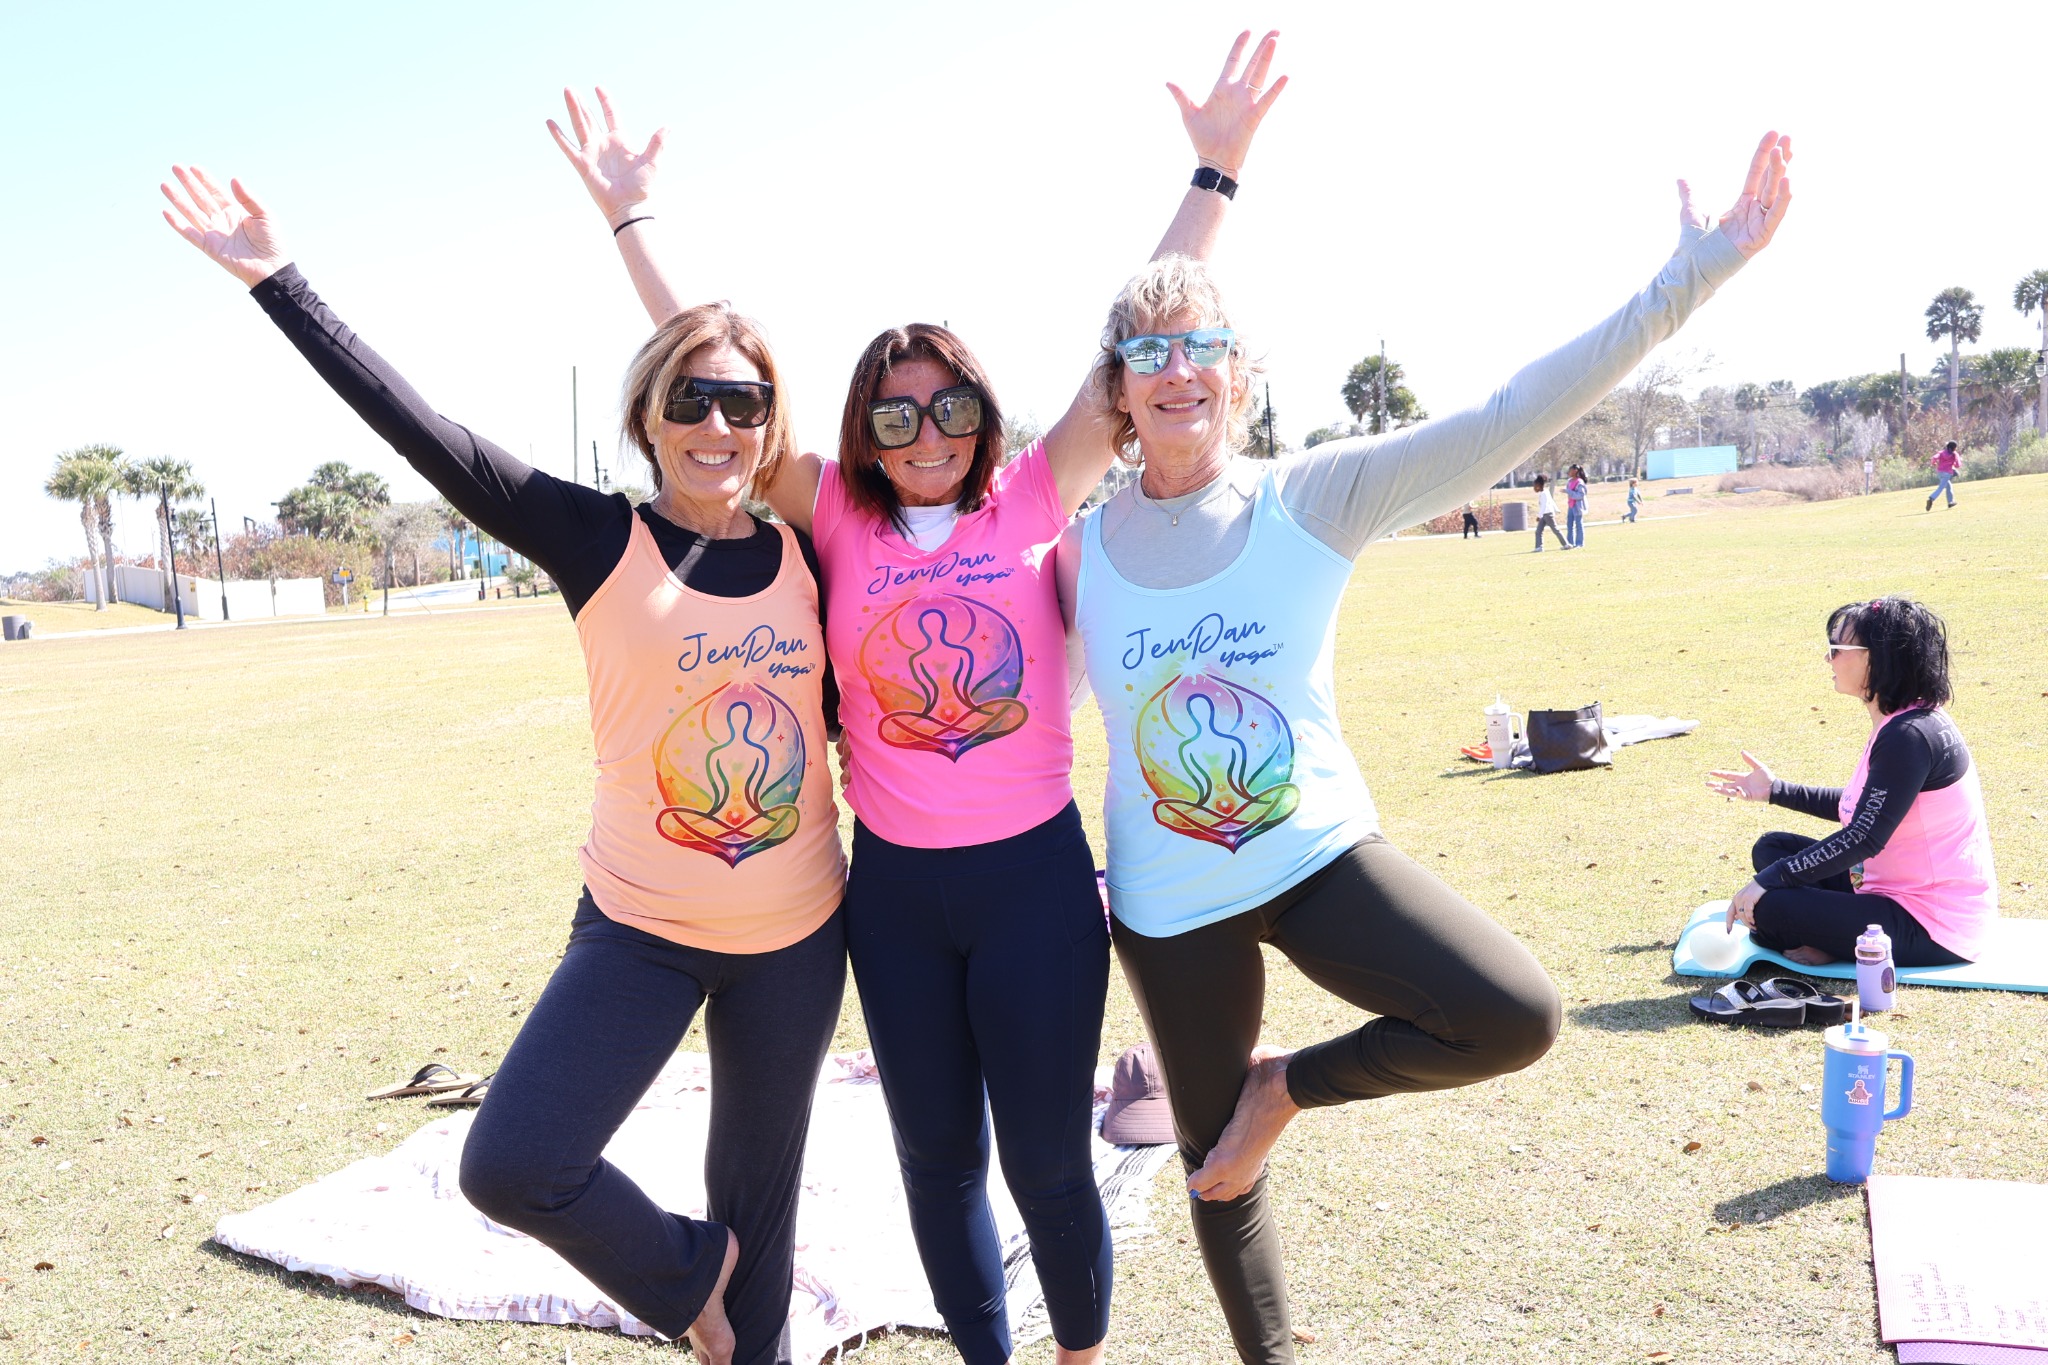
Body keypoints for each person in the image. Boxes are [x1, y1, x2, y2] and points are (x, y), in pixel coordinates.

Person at [555, 34, 1285, 1365]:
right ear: (862, 432)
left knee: (1046, 1160)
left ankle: (1077, 1355)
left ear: (982, 412)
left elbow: (1140, 333)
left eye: (948, 408)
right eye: (894, 417)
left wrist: (1215, 173)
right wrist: (630, 218)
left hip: (1032, 887)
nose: (926, 435)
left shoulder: (1035, 490)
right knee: (935, 1163)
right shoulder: (832, 509)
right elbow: (718, 373)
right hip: (892, 898)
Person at [1056, 131, 1793, 1364]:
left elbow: (1509, 415)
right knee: (1214, 1166)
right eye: (1148, 352)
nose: (1177, 370)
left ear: (1237, 373)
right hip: (1167, 905)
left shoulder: (1312, 497)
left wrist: (1691, 276)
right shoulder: (1076, 554)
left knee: (1511, 1012)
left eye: (1201, 346)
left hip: (1317, 860)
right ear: (1117, 390)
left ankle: (1281, 1086)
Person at [161, 171, 850, 1365]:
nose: (716, 425)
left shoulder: (809, 554)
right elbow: (420, 429)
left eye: (742, 403)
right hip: (640, 927)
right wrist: (280, 282)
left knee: (762, 1231)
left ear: (769, 423)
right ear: (649, 415)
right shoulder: (595, 535)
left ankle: (743, 1317)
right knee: (517, 1162)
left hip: (794, 938)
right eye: (689, 398)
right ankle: (692, 1274)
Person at [1706, 596, 1995, 967]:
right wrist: (1776, 791)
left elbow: (1864, 836)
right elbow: (1872, 806)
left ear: (1877, 658)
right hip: (1885, 888)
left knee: (1771, 906)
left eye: (1836, 649)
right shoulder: (1904, 720)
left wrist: (1768, 881)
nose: (1828, 658)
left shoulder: (1909, 735)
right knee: (1772, 848)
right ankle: (1831, 936)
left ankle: (1831, 942)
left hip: (1932, 923)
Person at [1531, 473, 1568, 550]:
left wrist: (1539, 516)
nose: (1534, 487)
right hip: (1544, 515)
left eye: (1535, 485)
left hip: (1547, 515)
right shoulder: (1544, 492)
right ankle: (1539, 547)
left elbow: (1544, 505)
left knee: (1555, 530)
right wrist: (1556, 509)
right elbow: (1551, 501)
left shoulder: (1544, 493)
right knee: (1538, 531)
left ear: (1539, 485)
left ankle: (1566, 544)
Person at [1927, 440, 1960, 510]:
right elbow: (1958, 465)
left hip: (1940, 472)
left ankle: (1950, 502)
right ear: (1954, 448)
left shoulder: (1941, 453)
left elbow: (1934, 458)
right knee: (1941, 488)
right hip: (1947, 473)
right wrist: (1953, 464)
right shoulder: (1954, 454)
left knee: (1949, 486)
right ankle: (1931, 498)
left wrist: (1934, 463)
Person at [1564, 464, 1588, 546]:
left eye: (1570, 470)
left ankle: (1579, 543)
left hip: (1577, 506)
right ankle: (1569, 543)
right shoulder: (1569, 481)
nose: (1569, 472)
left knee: (1578, 525)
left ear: (1575, 471)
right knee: (1569, 525)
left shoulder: (1579, 482)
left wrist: (1569, 492)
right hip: (1571, 505)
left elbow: (1580, 495)